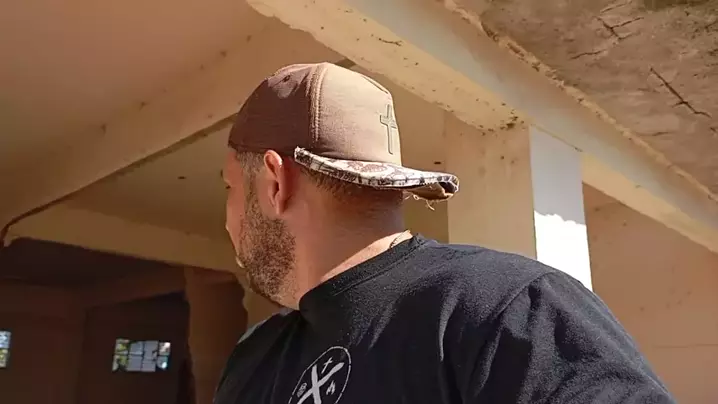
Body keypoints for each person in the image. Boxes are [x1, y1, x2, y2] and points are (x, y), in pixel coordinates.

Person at [216, 62, 675, 403]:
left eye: (231, 188)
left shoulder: (512, 309)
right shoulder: (254, 357)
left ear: (275, 184)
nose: (228, 219)